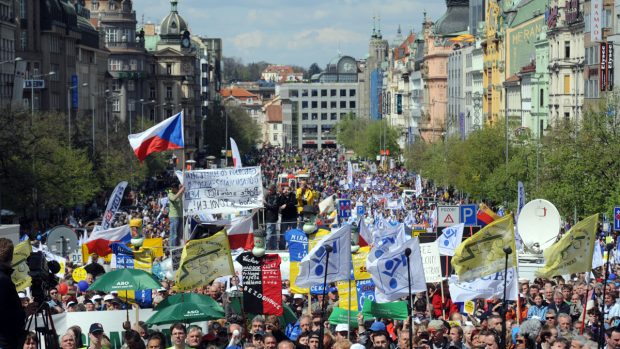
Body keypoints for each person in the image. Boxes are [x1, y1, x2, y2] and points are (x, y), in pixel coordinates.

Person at [0, 238, 26, 349]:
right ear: (11, 256)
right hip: (4, 342)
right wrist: (24, 313)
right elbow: (5, 315)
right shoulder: (3, 279)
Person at [167, 184, 185, 248]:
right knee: (174, 234)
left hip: (180, 216)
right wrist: (181, 190)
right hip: (174, 216)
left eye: (173, 188)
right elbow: (174, 198)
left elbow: (181, 195)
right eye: (171, 188)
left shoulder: (178, 193)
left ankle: (177, 248)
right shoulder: (170, 194)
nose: (172, 189)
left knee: (179, 234)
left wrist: (181, 189)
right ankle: (172, 249)